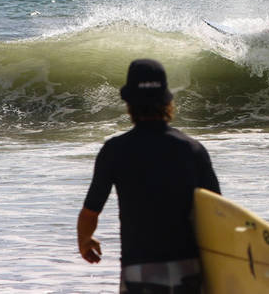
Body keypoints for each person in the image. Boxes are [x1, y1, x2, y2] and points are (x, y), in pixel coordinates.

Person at [77, 58, 220, 294]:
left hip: (139, 269)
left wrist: (85, 240)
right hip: (188, 270)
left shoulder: (115, 150)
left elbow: (91, 211)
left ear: (129, 102)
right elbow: (217, 212)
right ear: (167, 99)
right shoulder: (191, 149)